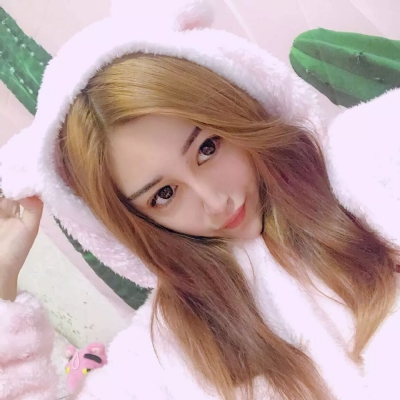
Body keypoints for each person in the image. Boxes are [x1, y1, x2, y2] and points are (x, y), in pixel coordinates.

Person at [0, 1, 400, 399]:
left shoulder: (369, 155)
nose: (216, 202)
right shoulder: (167, 345)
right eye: (164, 194)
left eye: (208, 148)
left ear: (238, 107)